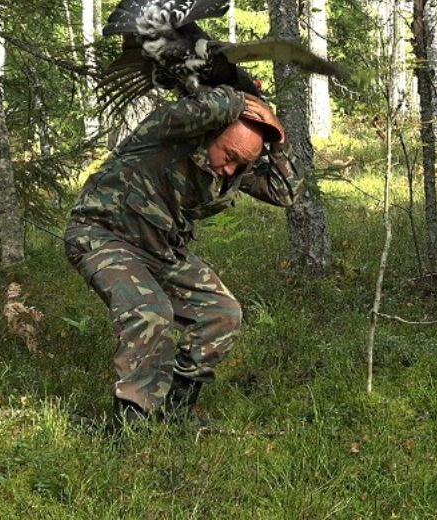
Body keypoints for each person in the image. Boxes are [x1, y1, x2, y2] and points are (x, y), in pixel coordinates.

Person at [64, 85, 299, 426]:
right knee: (150, 312)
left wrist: (278, 139)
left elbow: (284, 191)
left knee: (222, 311)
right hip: (102, 234)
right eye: (229, 155)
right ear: (212, 133)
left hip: (160, 249)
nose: (230, 169)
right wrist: (241, 99)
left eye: (242, 163)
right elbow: (196, 109)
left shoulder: (231, 170)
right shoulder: (167, 133)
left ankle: (176, 408)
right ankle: (133, 423)